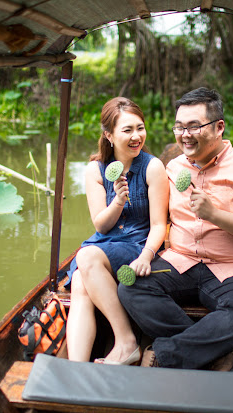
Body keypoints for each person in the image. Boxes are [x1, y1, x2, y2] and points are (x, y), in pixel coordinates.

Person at [118, 87, 233, 369]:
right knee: (130, 287)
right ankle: (217, 351)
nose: (185, 134)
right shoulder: (173, 168)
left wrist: (214, 215)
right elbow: (154, 218)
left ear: (219, 127)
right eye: (179, 127)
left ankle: (168, 354)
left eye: (194, 126)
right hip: (180, 262)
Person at [65, 97, 169, 365]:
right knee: (79, 281)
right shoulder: (95, 169)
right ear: (109, 135)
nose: (136, 136)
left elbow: (159, 225)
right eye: (127, 130)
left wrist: (146, 256)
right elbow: (100, 225)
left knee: (86, 257)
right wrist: (119, 201)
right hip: (104, 244)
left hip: (139, 246)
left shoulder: (152, 167)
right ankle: (77, 367)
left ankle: (125, 342)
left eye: (140, 128)